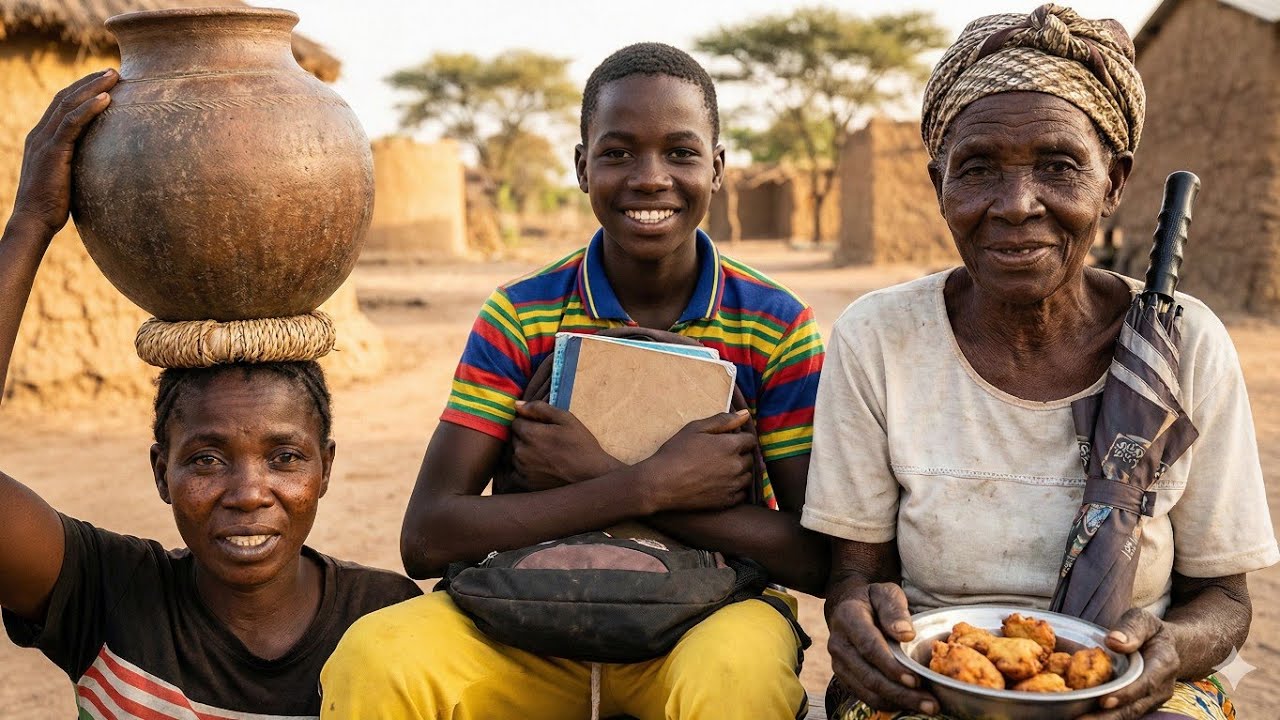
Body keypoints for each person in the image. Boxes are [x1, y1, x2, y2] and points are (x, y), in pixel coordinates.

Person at [320, 43, 827, 719]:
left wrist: (594, 472)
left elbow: (817, 556)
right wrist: (643, 484)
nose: (650, 178)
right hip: (529, 617)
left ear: (718, 167)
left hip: (709, 617)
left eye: (680, 152)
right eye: (618, 153)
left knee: (735, 679)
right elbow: (428, 536)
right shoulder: (520, 314)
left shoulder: (775, 325)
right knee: (377, 658)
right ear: (583, 168)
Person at [802, 5, 1279, 720]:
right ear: (938, 186)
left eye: (1059, 167)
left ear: (1115, 183)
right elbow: (855, 575)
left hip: (1141, 687)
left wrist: (1170, 649)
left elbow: (1227, 601)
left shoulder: (1186, 344)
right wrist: (864, 626)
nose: (1017, 204)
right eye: (978, 170)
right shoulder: (880, 337)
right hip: (932, 680)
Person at [0, 71, 421, 718]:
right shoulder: (105, 595)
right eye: (205, 459)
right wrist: (31, 218)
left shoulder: (386, 622)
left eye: (285, 457)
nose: (249, 493)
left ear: (326, 467)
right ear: (159, 472)